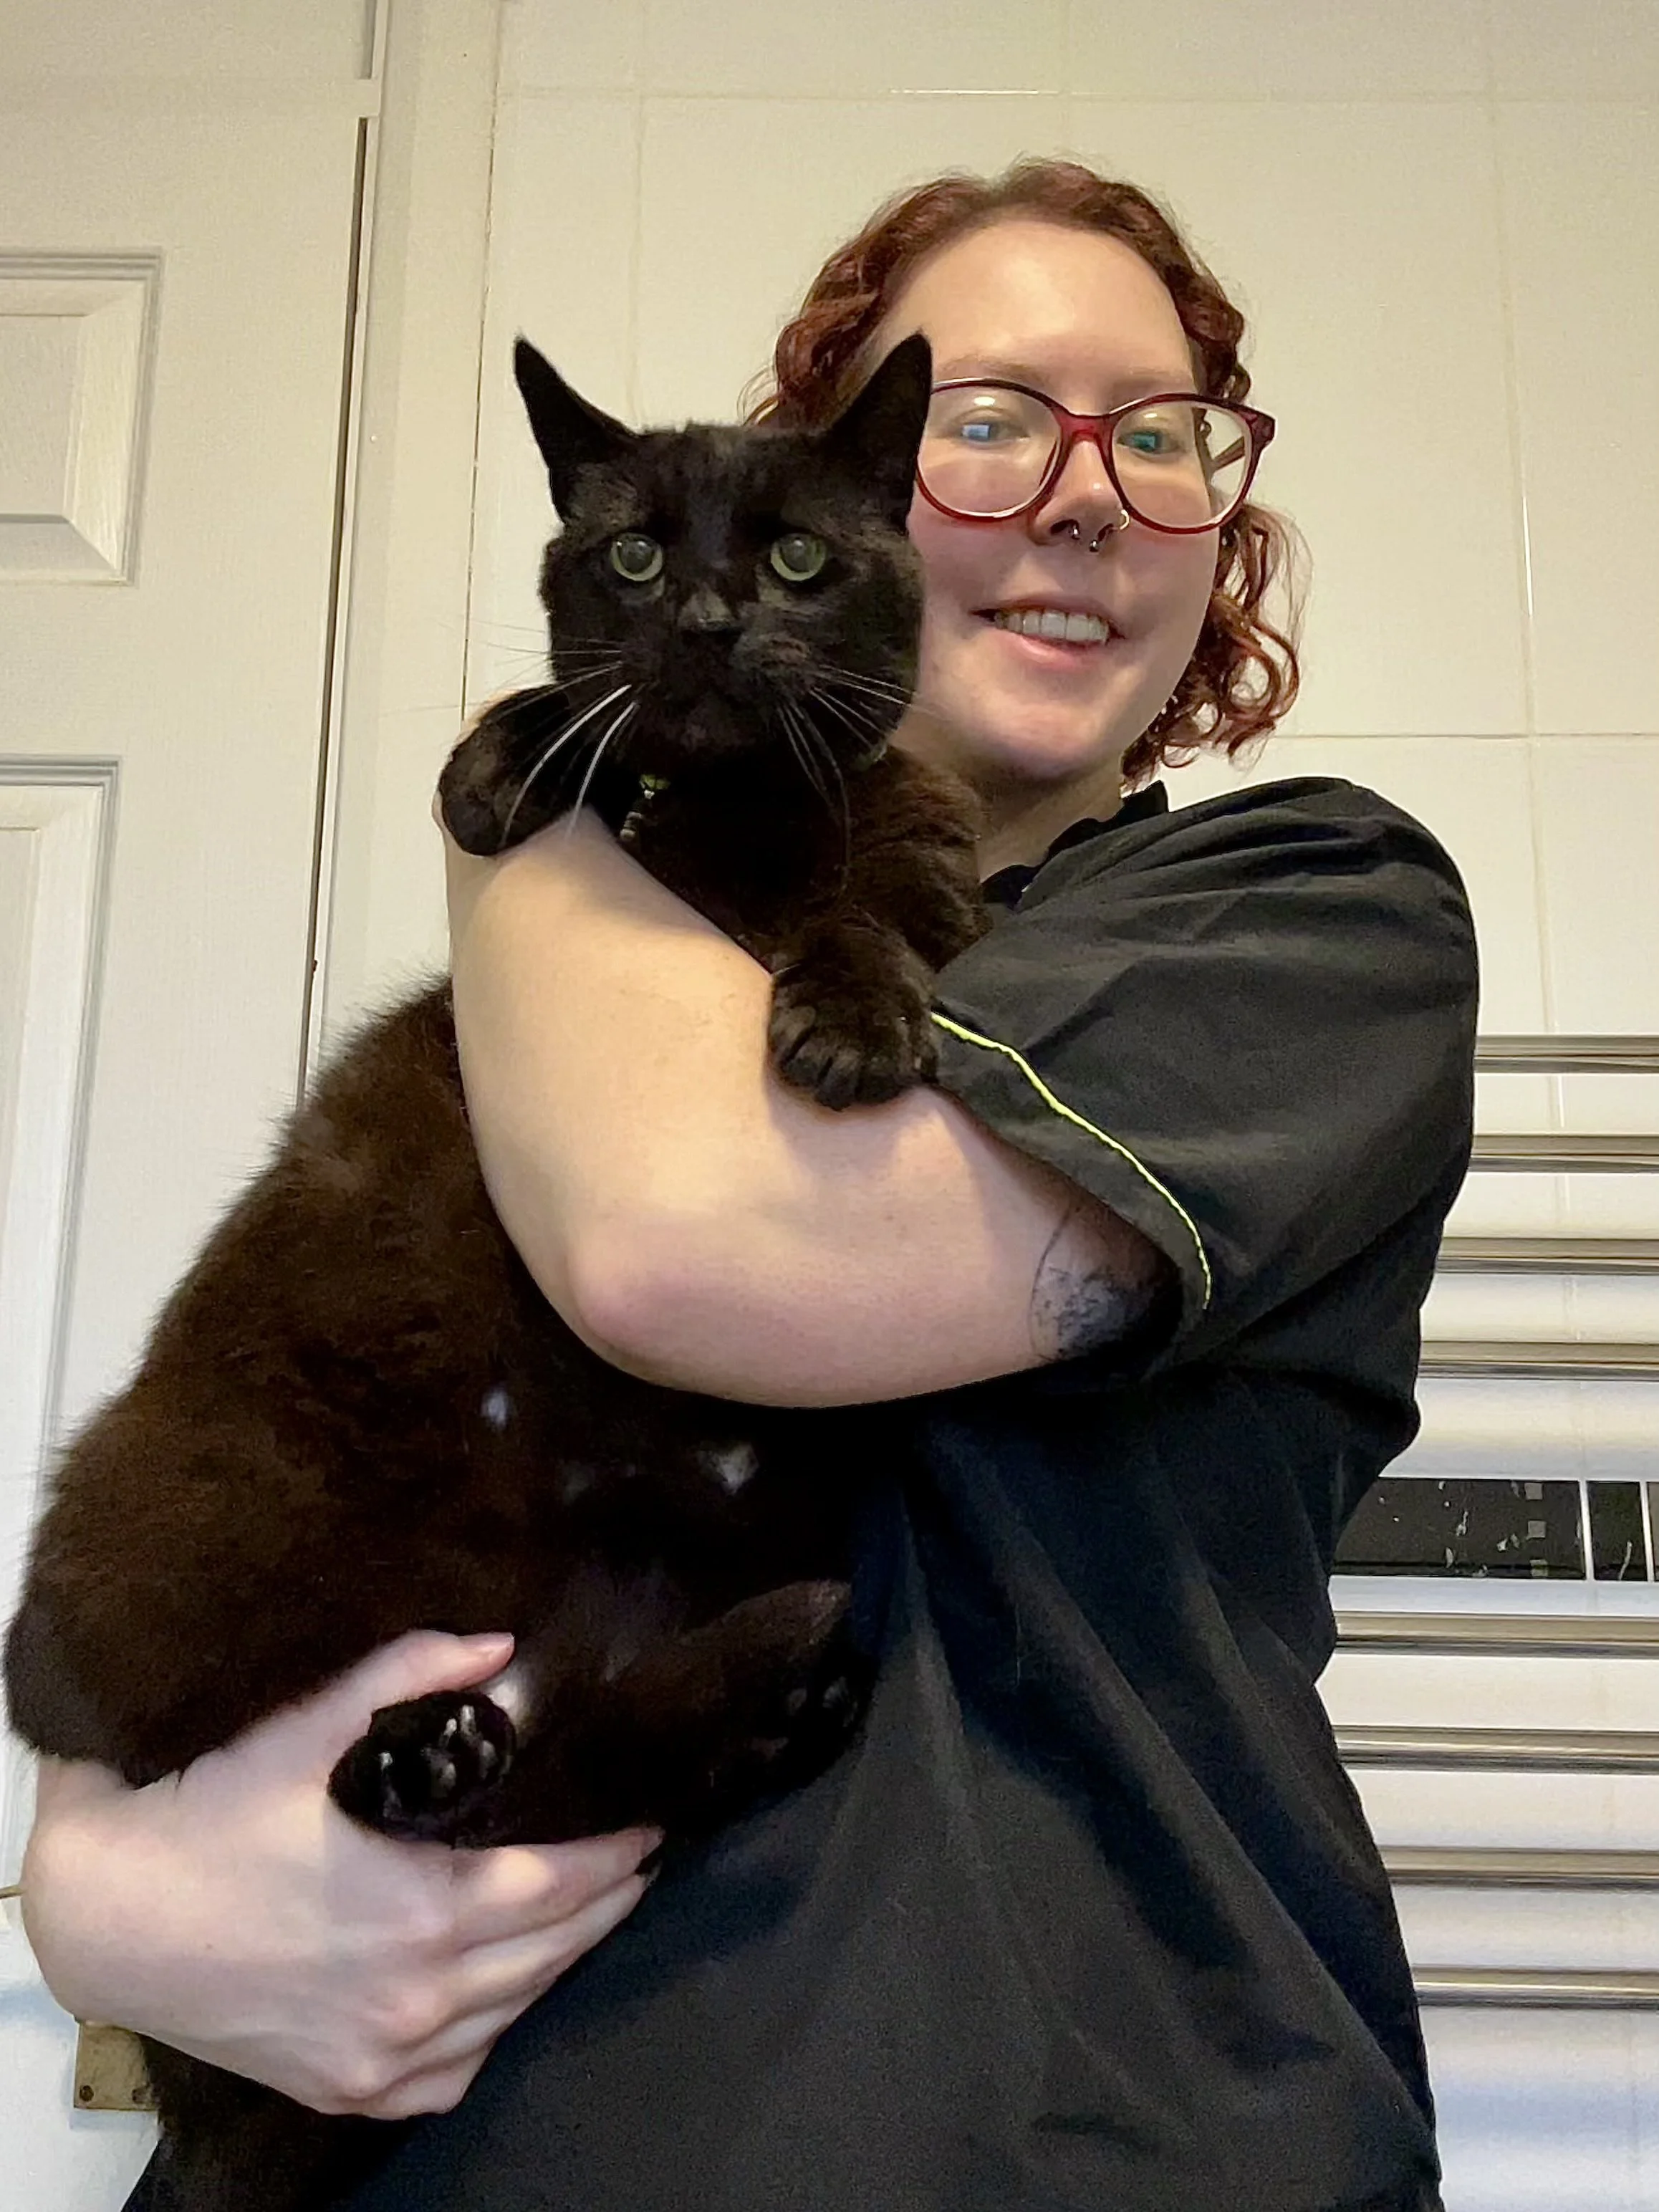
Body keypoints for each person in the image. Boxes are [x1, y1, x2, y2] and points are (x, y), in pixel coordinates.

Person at [22, 160, 1476, 2212]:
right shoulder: (594, 1003)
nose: (1080, 491)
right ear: (859, 491)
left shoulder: (1303, 913)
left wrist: (531, 792)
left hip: (1071, 2127)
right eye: (984, 421)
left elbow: (681, 1249)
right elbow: (302, 1424)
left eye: (1157, 436)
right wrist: (88, 1888)